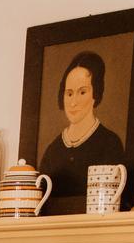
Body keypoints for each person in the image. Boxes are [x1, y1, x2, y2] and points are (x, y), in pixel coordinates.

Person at [39, 50, 127, 215]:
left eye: (82, 92)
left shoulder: (110, 143)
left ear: (96, 94)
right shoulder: (53, 150)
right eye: (69, 93)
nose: (73, 102)